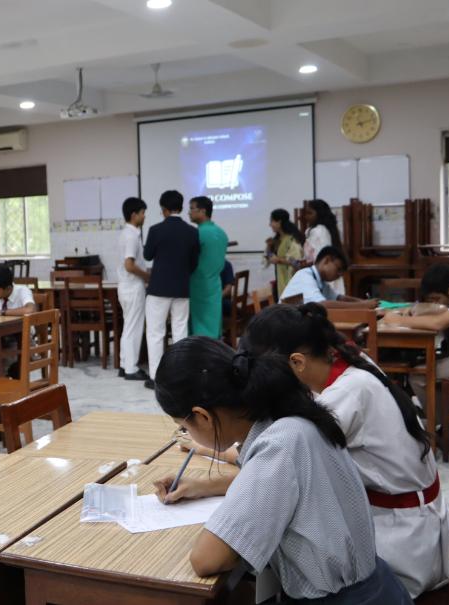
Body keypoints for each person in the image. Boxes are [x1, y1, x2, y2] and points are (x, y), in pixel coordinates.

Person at [152, 337, 412, 604]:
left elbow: (206, 559)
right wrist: (203, 486)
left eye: (184, 426)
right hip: (375, 589)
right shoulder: (285, 415)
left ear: (203, 416)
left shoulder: (278, 445)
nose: (186, 432)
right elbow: (284, 485)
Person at [245, 304, 449, 597]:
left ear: (297, 362)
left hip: (401, 547)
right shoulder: (349, 360)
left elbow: (282, 466)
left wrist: (219, 465)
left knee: (296, 549)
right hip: (411, 523)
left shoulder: (344, 396)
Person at [383, 264, 449, 409]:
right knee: (423, 365)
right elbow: (442, 310)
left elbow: (438, 323)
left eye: (436, 299)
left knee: (422, 375)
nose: (435, 303)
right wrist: (415, 310)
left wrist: (398, 320)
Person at [143, 190, 200, 390]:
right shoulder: (192, 231)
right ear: (181, 207)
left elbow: (147, 255)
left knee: (155, 332)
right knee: (180, 331)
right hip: (181, 288)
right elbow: (194, 263)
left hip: (158, 288)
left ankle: (155, 377)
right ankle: (179, 376)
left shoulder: (156, 230)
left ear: (164, 209)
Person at [117, 197, 150, 381]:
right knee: (134, 328)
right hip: (132, 286)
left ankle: (124, 364)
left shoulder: (125, 234)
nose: (144, 216)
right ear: (134, 215)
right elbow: (129, 265)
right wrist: (147, 276)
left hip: (125, 286)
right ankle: (131, 368)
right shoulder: (131, 236)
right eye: (143, 213)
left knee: (128, 326)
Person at [280, 246, 378, 308]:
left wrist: (364, 302)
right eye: (338, 269)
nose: (339, 275)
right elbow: (322, 304)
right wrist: (362, 305)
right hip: (286, 326)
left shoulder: (320, 280)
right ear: (326, 260)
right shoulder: (305, 276)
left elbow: (338, 298)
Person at [188, 196, 229, 338]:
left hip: (197, 285)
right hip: (215, 284)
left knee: (198, 327)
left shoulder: (196, 234)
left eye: (192, 208)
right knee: (213, 324)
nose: (189, 212)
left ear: (203, 211)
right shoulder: (222, 233)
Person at [302, 199, 346, 296]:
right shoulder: (325, 229)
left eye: (310, 213)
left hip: (323, 274)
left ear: (319, 214)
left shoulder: (319, 231)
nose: (306, 216)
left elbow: (318, 258)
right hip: (327, 273)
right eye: (306, 213)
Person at [266, 208, 305, 297]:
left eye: (272, 221)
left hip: (290, 279)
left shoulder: (292, 239)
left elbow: (297, 262)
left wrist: (279, 260)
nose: (270, 224)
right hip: (280, 278)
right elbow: (270, 257)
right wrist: (269, 247)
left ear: (279, 222)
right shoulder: (277, 239)